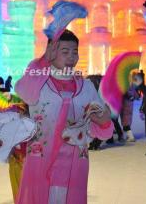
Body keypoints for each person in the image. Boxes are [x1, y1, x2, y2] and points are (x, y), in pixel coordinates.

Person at [15, 29, 113, 204]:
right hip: (41, 161)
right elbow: (22, 90)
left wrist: (104, 122)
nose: (71, 57)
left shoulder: (87, 87)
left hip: (74, 164)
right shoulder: (39, 83)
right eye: (64, 52)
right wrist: (43, 60)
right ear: (51, 53)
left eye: (74, 52)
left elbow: (103, 132)